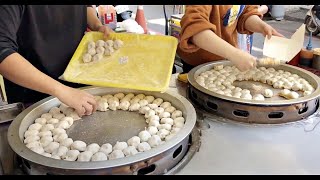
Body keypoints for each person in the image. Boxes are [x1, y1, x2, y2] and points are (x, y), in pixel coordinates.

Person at [0, 5, 113, 116]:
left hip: (80, 88)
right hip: (35, 97)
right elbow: (2, 51)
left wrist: (97, 25)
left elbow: (85, 7)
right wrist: (62, 90)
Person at [177, 5, 283, 73]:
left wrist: (262, 27)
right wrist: (233, 53)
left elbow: (245, 13)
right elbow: (195, 29)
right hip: (198, 62)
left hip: (225, 59)